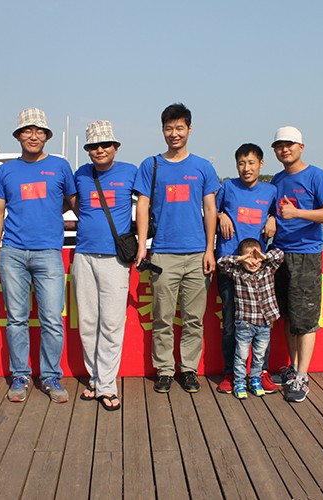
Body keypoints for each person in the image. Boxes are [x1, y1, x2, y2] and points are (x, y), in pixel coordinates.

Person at [0, 108, 77, 403]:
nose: (33, 136)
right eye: (27, 130)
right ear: (18, 135)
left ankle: (51, 375)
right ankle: (20, 375)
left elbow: (73, 203)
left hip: (49, 252)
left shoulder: (60, 166)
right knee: (16, 319)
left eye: (39, 131)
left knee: (52, 318)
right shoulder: (6, 171)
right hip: (12, 252)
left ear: (47, 136)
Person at [133, 103, 220, 393]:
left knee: (194, 319)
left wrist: (210, 249)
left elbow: (210, 209)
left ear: (190, 129)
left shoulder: (203, 167)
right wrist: (143, 246)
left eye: (179, 128)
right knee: (163, 318)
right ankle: (165, 370)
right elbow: (142, 206)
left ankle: (189, 369)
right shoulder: (151, 165)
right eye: (169, 128)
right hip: (163, 254)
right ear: (162, 130)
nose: (174, 133)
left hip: (197, 254)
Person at [70, 120, 137, 411]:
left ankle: (107, 386)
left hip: (115, 259)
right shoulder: (81, 175)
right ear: (88, 150)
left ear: (116, 147)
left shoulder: (131, 172)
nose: (100, 150)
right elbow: (75, 205)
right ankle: (96, 379)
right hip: (84, 255)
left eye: (105, 145)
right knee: (87, 323)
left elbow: (147, 204)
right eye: (94, 146)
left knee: (111, 324)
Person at [270, 126, 323, 403]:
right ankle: (293, 367)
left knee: (306, 319)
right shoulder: (276, 180)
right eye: (279, 146)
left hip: (306, 255)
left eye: (289, 144)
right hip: (279, 254)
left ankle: (302, 375)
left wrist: (297, 213)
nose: (284, 149)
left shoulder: (316, 175)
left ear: (301, 147)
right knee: (288, 315)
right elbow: (272, 212)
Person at [215, 143, 280, 395]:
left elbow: (277, 214)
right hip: (231, 267)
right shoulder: (227, 187)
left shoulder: (270, 191)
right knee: (231, 324)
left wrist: (273, 218)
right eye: (241, 163)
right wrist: (220, 215)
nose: (246, 168)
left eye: (251, 163)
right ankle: (230, 373)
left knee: (264, 324)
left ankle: (260, 372)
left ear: (261, 164)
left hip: (258, 270)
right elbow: (210, 210)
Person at [217, 239, 284, 399]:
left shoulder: (267, 269)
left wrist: (263, 257)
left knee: (259, 355)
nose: (253, 262)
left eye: (256, 257)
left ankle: (255, 379)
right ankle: (239, 382)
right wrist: (240, 259)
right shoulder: (238, 272)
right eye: (249, 257)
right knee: (241, 355)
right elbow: (221, 263)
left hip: (264, 323)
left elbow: (280, 255)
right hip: (244, 323)